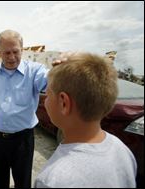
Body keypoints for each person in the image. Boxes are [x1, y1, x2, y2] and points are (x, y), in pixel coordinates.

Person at [34, 52, 137, 188]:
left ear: (64, 103)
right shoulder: (122, 150)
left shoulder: (51, 180)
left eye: (47, 94)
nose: (45, 100)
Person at [0, 29, 49, 188]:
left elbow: (50, 82)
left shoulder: (35, 71)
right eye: (6, 52)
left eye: (15, 52)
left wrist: (61, 72)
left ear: (22, 49)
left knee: (23, 183)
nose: (11, 57)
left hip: (23, 140)